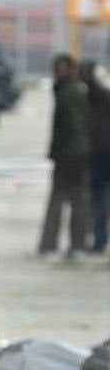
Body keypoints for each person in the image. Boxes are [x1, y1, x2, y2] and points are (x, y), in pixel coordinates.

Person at [38, 54, 89, 260]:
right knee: (74, 200)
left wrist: (59, 152)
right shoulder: (72, 90)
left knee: (63, 199)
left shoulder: (69, 92)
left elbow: (71, 127)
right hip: (75, 154)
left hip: (71, 155)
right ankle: (74, 245)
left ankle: (55, 245)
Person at [79, 60, 110, 255]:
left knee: (98, 198)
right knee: (98, 199)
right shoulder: (100, 95)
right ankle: (99, 239)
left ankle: (99, 240)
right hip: (99, 152)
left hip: (98, 153)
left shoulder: (91, 96)